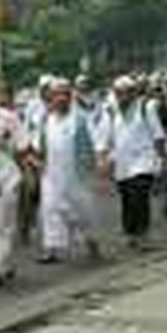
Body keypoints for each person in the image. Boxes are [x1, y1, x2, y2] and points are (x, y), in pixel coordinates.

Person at [33, 77, 100, 263]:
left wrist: (99, 163)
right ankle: (51, 250)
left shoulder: (80, 119)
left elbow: (95, 143)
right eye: (57, 95)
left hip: (76, 175)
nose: (61, 98)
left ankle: (90, 241)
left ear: (70, 97)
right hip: (51, 175)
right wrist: (37, 163)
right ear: (51, 98)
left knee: (81, 212)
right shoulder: (46, 120)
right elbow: (39, 146)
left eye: (65, 94)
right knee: (50, 210)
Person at [96, 75, 165, 250]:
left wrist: (161, 160)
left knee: (139, 195)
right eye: (119, 93)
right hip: (122, 163)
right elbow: (103, 138)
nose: (123, 96)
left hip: (144, 160)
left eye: (127, 92)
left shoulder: (145, 107)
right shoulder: (111, 111)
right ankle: (130, 232)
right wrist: (103, 159)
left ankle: (143, 234)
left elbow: (157, 136)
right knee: (127, 199)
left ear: (134, 93)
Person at [0, 81, 29, 286]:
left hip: (8, 178)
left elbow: (23, 146)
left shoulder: (10, 118)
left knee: (3, 225)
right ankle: (6, 263)